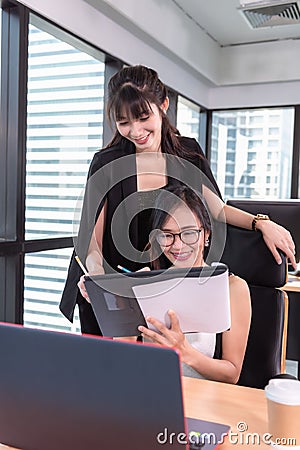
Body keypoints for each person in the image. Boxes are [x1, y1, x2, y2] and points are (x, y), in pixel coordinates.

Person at [59, 64, 296, 335]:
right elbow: (91, 244)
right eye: (124, 122)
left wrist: (261, 223)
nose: (135, 131)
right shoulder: (106, 163)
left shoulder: (187, 153)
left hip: (169, 283)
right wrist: (104, 283)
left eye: (142, 117)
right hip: (117, 285)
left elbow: (216, 209)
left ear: (163, 105)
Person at [138, 184, 251, 384]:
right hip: (150, 391)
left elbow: (231, 374)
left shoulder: (232, 287)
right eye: (167, 235)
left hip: (201, 399)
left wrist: (184, 351)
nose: (178, 245)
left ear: (206, 234)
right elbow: (126, 358)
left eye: (189, 233)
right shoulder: (148, 284)